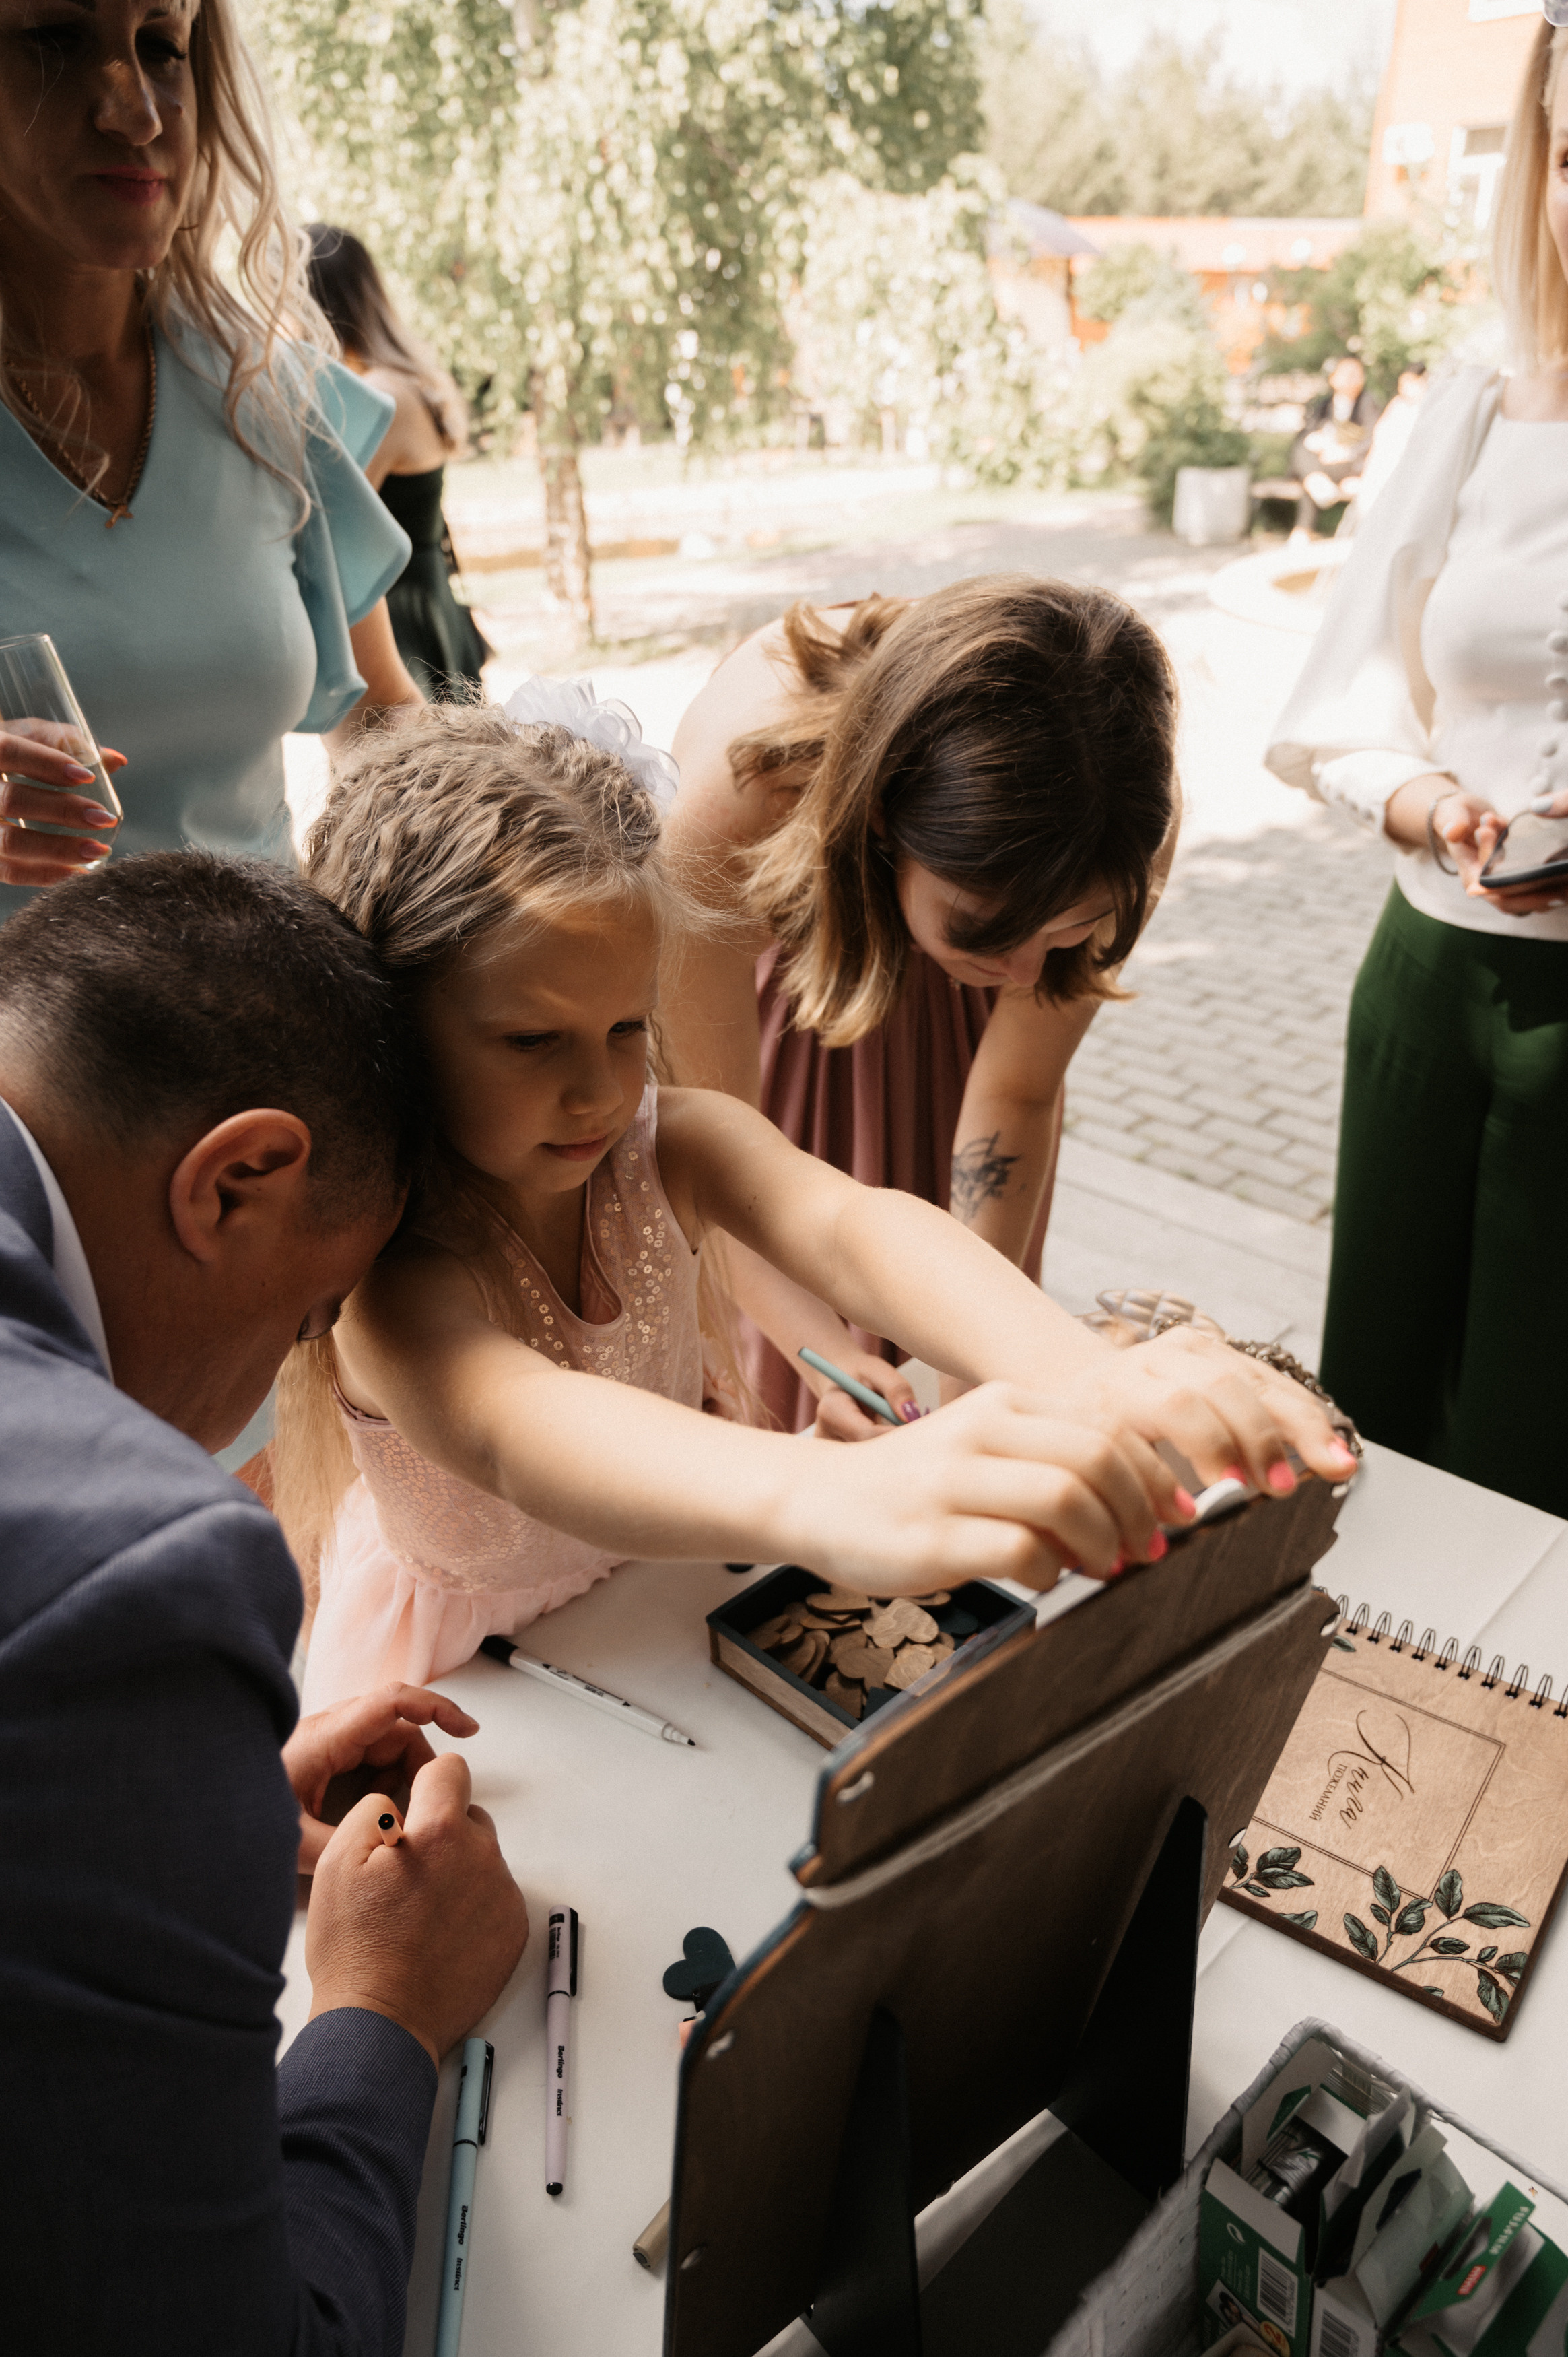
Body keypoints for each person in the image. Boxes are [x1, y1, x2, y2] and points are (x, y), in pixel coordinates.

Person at [277, 685, 1355, 1713]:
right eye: (530, 1041)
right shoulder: (390, 1277)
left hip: (658, 1605)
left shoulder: (666, 1141)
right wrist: (839, 1495)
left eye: (624, 1028)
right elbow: (521, 1433)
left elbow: (851, 1226)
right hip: (464, 1680)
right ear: (393, 1028)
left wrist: (1086, 1375)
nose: (603, 1089)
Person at [0, 851, 528, 2350]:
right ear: (239, 1181)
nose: (285, 1371)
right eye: (310, 1315)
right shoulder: (131, 1571)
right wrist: (383, 2012)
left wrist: (156, 1817)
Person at [1265, 18, 1568, 1519]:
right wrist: (1432, 800)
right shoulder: (1477, 399)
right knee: (1373, 1427)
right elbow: (1337, 712)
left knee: (1537, 1454)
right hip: (1426, 995)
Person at [660, 574, 1180, 1435]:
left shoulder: (1119, 823)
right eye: (982, 926)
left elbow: (1013, 1091)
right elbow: (706, 1143)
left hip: (956, 1067)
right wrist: (815, 1350)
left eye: (1067, 931)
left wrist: (967, 1357)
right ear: (877, 820)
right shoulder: (739, 785)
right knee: (794, 1400)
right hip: (783, 1035)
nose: (1018, 972)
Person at [0, 0, 424, 913]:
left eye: (162, 48)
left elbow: (380, 718)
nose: (137, 111)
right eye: (53, 40)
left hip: (273, 1036)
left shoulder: (265, 396)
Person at [305, 224, 491, 701]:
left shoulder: (382, 396)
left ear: (315, 304)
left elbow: (321, 515)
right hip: (421, 599)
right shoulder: (399, 381)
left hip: (401, 614)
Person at [1286, 354, 1383, 547]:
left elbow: (1374, 439)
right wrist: (1318, 442)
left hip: (1351, 464)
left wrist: (1345, 452)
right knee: (1301, 450)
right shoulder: (1323, 406)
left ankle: (1303, 529)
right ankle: (1316, 481)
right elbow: (1305, 436)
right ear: (1334, 378)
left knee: (1311, 479)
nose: (1352, 378)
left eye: (1356, 374)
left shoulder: (1368, 403)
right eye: (1346, 373)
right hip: (1324, 464)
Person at [1354, 360, 1429, 521]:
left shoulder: (1428, 408)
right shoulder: (1397, 406)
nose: (1404, 388)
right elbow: (1381, 436)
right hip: (1385, 459)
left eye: (1409, 383)